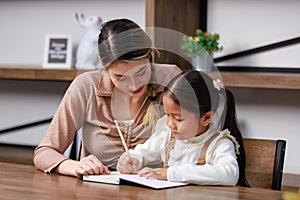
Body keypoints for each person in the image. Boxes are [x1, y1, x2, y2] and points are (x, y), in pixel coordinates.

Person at [33, 18, 181, 178]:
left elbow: (202, 144)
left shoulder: (171, 79)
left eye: (140, 73)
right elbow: (44, 153)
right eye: (120, 77)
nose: (133, 85)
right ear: (105, 68)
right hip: (97, 190)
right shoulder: (86, 86)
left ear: (150, 57)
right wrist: (75, 166)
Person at [117, 70, 250, 187]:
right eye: (167, 115)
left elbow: (229, 175)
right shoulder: (168, 136)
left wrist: (170, 173)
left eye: (179, 119)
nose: (170, 123)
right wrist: (130, 159)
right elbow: (143, 152)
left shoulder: (218, 144)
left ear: (206, 118)